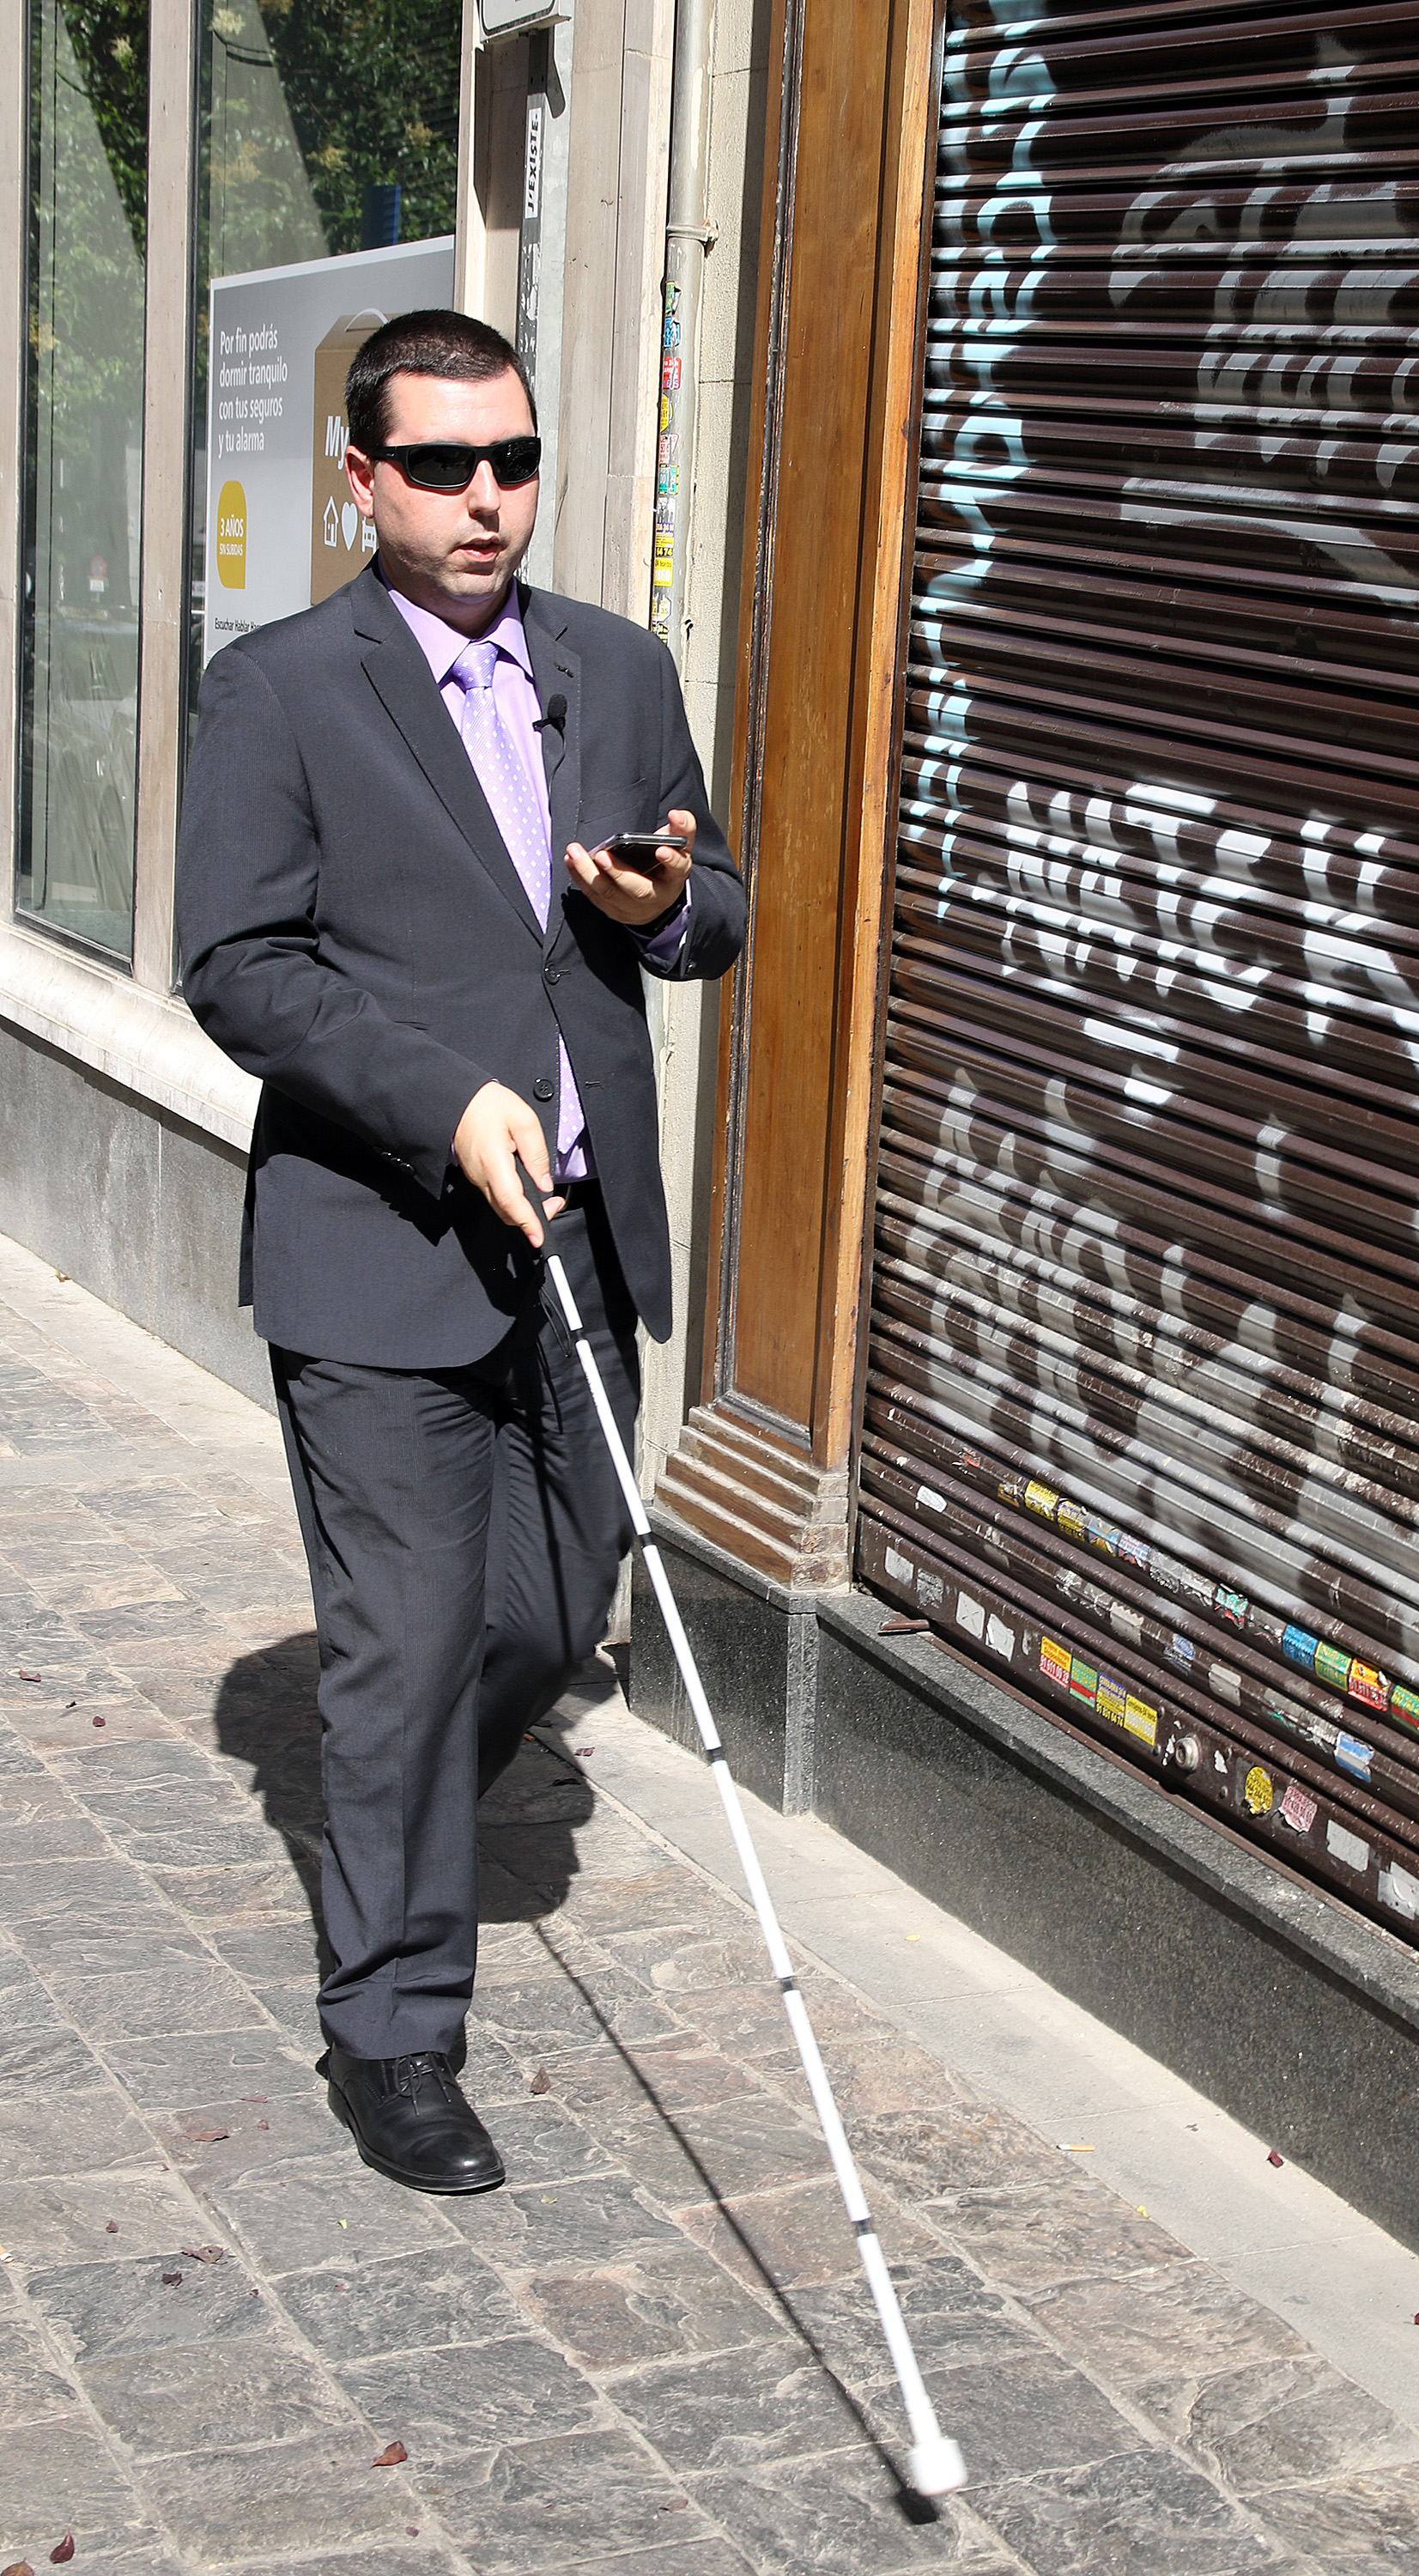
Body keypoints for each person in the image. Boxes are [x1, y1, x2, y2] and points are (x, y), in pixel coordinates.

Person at [177, 309, 746, 2195]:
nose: (484, 498)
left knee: (540, 1619)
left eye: (509, 459)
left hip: (580, 1244)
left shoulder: (618, 666)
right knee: (409, 1648)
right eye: (439, 465)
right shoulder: (279, 689)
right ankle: (394, 2032)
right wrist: (440, 1100)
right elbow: (239, 968)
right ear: (362, 478)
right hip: (383, 1244)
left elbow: (712, 895)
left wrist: (668, 906)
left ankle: (407, 1799)